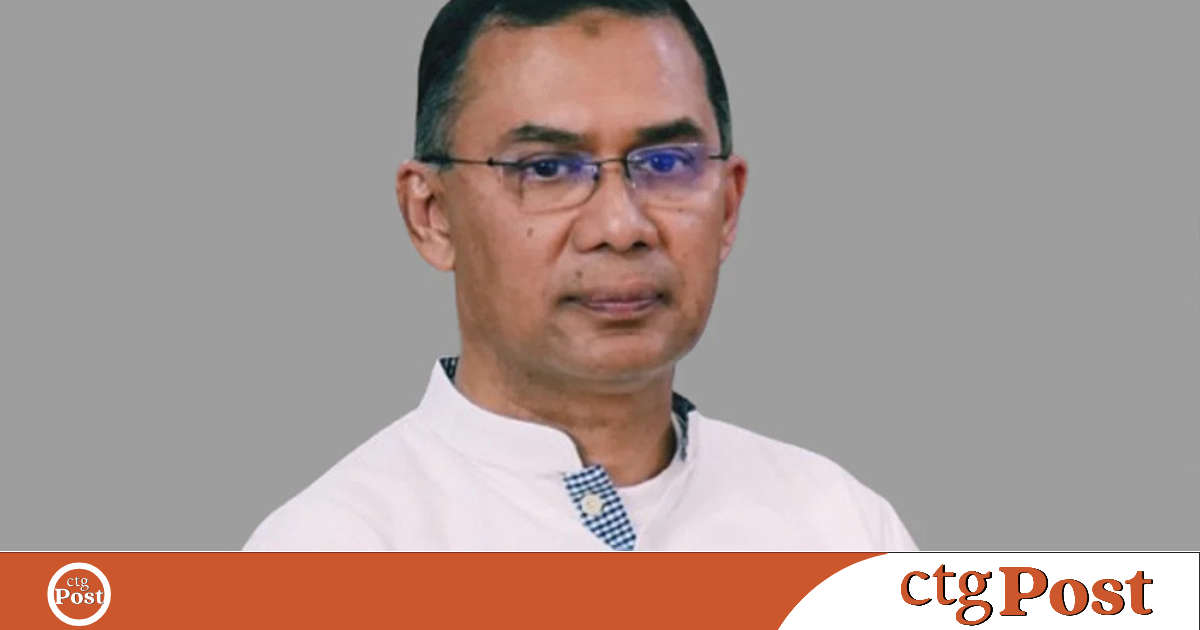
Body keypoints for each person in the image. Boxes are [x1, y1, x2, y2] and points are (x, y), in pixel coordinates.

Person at [244, 0, 917, 551]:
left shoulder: (843, 531)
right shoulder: (329, 555)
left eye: (666, 163)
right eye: (546, 169)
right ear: (432, 215)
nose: (620, 227)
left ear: (729, 205)